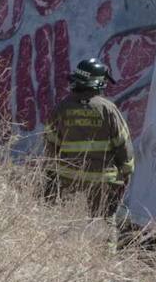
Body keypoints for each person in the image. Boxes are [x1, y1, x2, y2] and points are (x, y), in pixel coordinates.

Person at [43, 58, 134, 219]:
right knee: (103, 224)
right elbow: (123, 144)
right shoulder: (108, 109)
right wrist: (126, 172)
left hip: (68, 177)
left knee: (65, 222)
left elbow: (50, 144)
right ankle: (103, 245)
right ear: (99, 83)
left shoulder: (62, 108)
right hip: (102, 180)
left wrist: (52, 173)